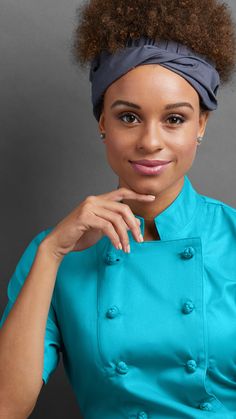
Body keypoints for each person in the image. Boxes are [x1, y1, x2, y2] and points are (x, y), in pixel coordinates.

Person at [0, 0, 236, 417]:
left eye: (175, 119)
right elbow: (6, 406)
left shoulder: (232, 239)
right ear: (101, 122)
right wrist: (51, 252)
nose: (150, 141)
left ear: (201, 124)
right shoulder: (55, 256)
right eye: (129, 117)